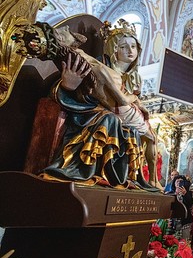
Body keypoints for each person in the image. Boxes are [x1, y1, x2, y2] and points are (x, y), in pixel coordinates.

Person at [42, 20, 159, 190]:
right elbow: (81, 91)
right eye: (124, 46)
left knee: (137, 131)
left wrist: (137, 102)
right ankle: (90, 172)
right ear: (114, 49)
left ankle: (127, 178)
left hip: (119, 115)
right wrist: (68, 85)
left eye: (133, 46)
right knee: (111, 120)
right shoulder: (97, 64)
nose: (130, 50)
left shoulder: (130, 78)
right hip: (90, 114)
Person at [172, 174, 193, 241]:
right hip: (173, 221)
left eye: (181, 181)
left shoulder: (188, 193)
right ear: (174, 183)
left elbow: (190, 204)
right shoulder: (170, 193)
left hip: (185, 221)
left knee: (184, 241)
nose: (179, 183)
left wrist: (185, 194)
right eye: (177, 181)